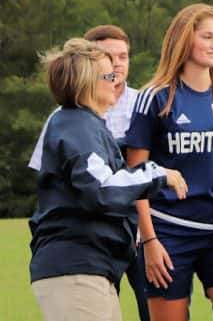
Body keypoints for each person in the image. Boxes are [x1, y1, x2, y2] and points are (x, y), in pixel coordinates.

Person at [125, 3, 213, 321]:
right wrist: (149, 240)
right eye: (207, 36)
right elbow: (136, 174)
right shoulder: (156, 96)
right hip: (169, 232)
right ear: (184, 38)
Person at [29, 38, 187, 321]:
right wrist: (158, 173)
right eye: (109, 75)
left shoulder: (84, 124)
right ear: (88, 82)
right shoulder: (77, 126)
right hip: (76, 268)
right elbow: (102, 188)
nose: (116, 81)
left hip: (89, 269)